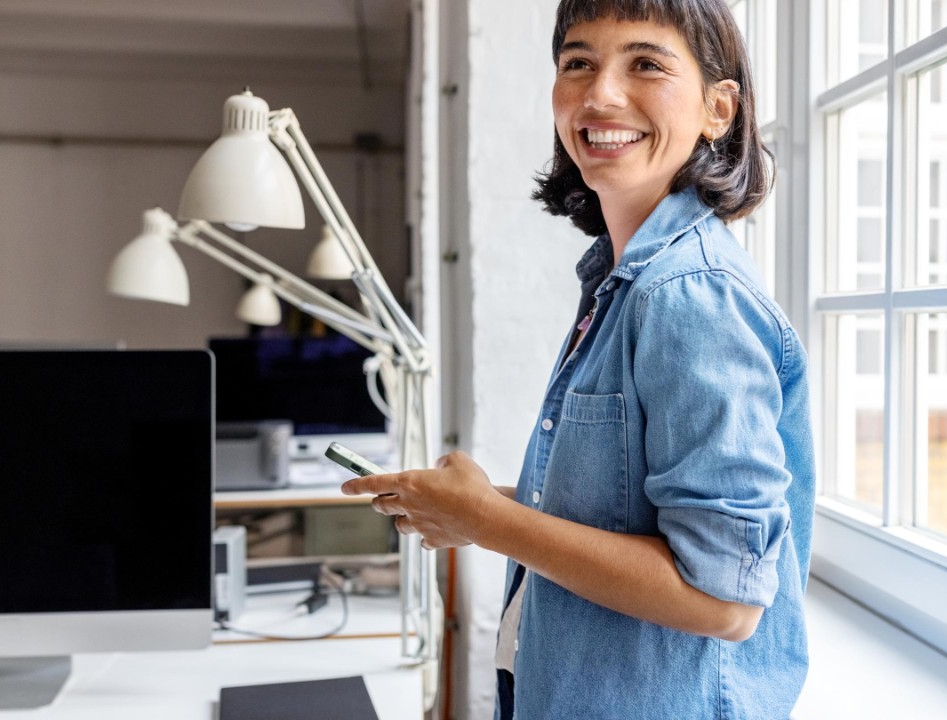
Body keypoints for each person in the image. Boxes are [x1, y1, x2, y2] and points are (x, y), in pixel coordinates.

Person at [342, 0, 815, 717]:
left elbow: (724, 599)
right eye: (578, 63)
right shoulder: (623, 283)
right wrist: (471, 508)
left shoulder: (690, 297)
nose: (599, 94)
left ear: (719, 108)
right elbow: (629, 520)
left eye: (646, 63)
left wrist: (489, 523)